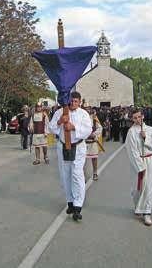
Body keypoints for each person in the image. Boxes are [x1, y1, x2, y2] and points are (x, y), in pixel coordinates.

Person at [49, 91, 92, 222]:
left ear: (79, 102)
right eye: (71, 101)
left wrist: (74, 127)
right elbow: (51, 128)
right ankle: (70, 202)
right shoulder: (60, 112)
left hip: (77, 147)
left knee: (77, 175)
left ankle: (78, 207)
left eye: (76, 101)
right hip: (63, 146)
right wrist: (60, 122)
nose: (73, 103)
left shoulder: (83, 114)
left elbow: (88, 129)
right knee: (65, 175)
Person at [125, 108, 152, 226]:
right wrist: (139, 166)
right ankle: (138, 206)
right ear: (132, 119)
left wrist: (146, 138)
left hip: (149, 160)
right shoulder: (131, 132)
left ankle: (147, 213)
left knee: (149, 187)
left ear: (143, 116)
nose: (137, 120)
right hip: (138, 162)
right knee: (138, 188)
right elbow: (131, 150)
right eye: (135, 118)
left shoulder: (150, 130)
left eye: (139, 117)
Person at [83, 103, 102, 181]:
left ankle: (95, 173)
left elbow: (100, 128)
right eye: (85, 108)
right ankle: (82, 175)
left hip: (93, 141)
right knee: (82, 160)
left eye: (88, 108)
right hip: (83, 142)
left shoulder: (94, 118)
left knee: (94, 158)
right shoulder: (80, 118)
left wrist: (94, 135)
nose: (86, 109)